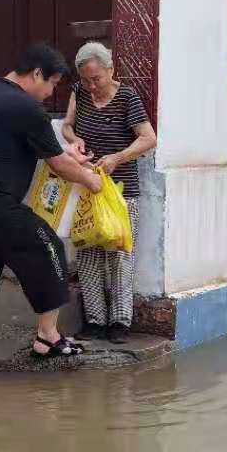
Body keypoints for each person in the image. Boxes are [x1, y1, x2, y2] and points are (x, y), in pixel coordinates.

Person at [0, 43, 103, 382]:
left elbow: (47, 148)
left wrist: (70, 156)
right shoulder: (26, 107)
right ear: (37, 73)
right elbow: (57, 162)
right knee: (48, 247)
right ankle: (48, 337)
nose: (50, 91)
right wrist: (91, 180)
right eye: (51, 83)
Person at [62, 41, 157, 343]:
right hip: (88, 186)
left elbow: (148, 138)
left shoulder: (127, 97)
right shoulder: (80, 93)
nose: (91, 85)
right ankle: (94, 321)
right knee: (88, 253)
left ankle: (120, 322)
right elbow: (66, 125)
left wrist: (118, 157)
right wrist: (74, 139)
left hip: (121, 189)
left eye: (96, 79)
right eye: (86, 80)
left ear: (110, 70)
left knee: (119, 253)